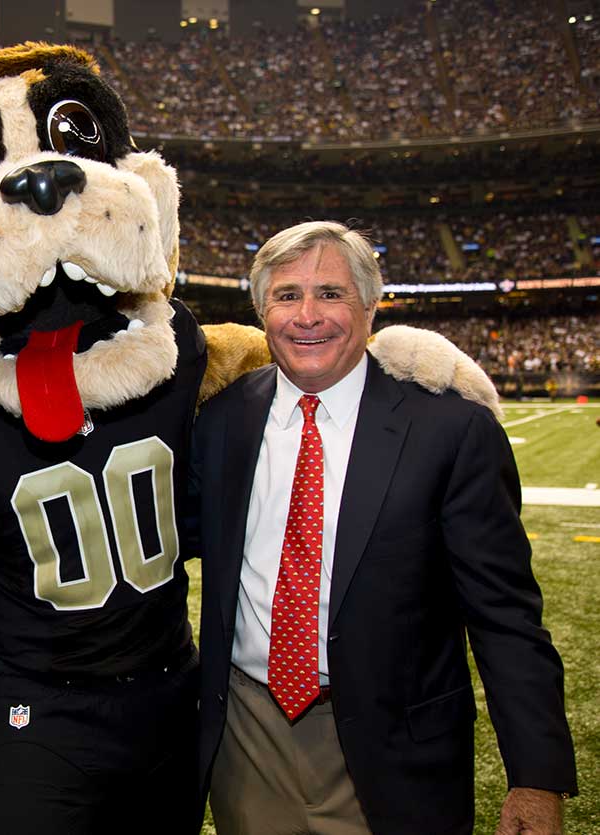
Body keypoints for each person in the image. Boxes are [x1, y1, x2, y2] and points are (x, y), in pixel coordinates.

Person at [189, 221, 577, 835]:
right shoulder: (221, 422)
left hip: (395, 742)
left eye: (331, 294)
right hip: (247, 732)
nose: (307, 316)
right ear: (262, 309)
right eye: (287, 295)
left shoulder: (451, 431)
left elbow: (505, 617)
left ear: (372, 304)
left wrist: (536, 776)